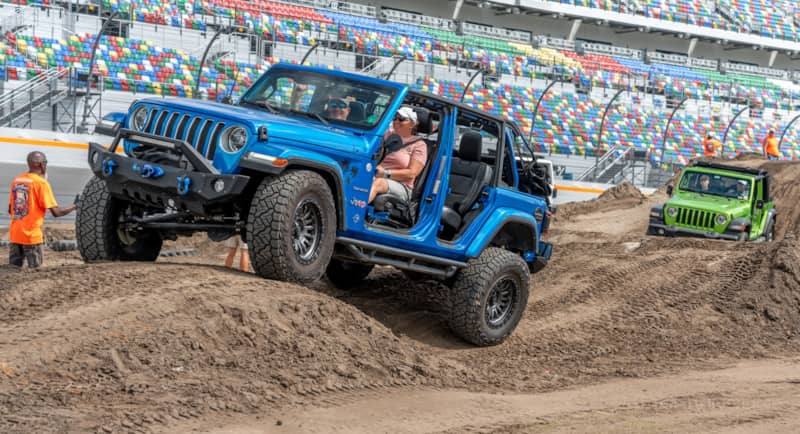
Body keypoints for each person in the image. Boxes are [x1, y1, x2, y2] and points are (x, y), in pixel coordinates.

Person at [7, 151, 77, 268]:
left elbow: (11, 209)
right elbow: (57, 212)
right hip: (32, 237)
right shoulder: (41, 184)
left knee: (13, 269)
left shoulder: (17, 180)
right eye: (45, 162)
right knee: (35, 271)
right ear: (40, 164)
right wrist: (75, 206)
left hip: (15, 235)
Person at [368, 106, 427, 204]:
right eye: (395, 118)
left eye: (401, 119)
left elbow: (412, 173)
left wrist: (386, 173)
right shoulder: (385, 135)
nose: (396, 121)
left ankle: (351, 214)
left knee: (378, 183)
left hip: (401, 185)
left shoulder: (419, 145)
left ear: (413, 124)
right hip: (374, 173)